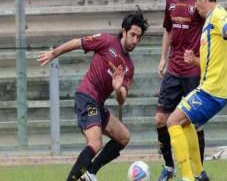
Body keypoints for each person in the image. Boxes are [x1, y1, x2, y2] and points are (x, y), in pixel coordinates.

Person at [37, 9, 149, 181]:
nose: (134, 40)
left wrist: (118, 89)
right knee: (95, 143)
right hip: (86, 96)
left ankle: (90, 173)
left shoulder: (129, 67)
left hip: (98, 104)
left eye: (138, 37)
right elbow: (78, 43)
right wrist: (54, 53)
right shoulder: (106, 41)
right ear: (124, 31)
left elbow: (121, 100)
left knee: (124, 136)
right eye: (132, 34)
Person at [166, 0, 227, 181]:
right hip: (211, 89)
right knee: (185, 124)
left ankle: (188, 177)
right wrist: (196, 61)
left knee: (172, 121)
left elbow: (226, 25)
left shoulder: (218, 14)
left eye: (196, 1)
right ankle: (200, 174)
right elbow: (213, 62)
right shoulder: (209, 21)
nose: (195, 6)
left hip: (211, 91)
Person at [154, 0, 206, 180]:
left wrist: (200, 59)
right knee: (160, 120)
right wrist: (162, 58)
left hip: (193, 71)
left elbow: (207, 32)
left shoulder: (198, 1)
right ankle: (168, 167)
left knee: (194, 124)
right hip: (173, 70)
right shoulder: (170, 0)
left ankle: (198, 172)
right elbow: (168, 30)